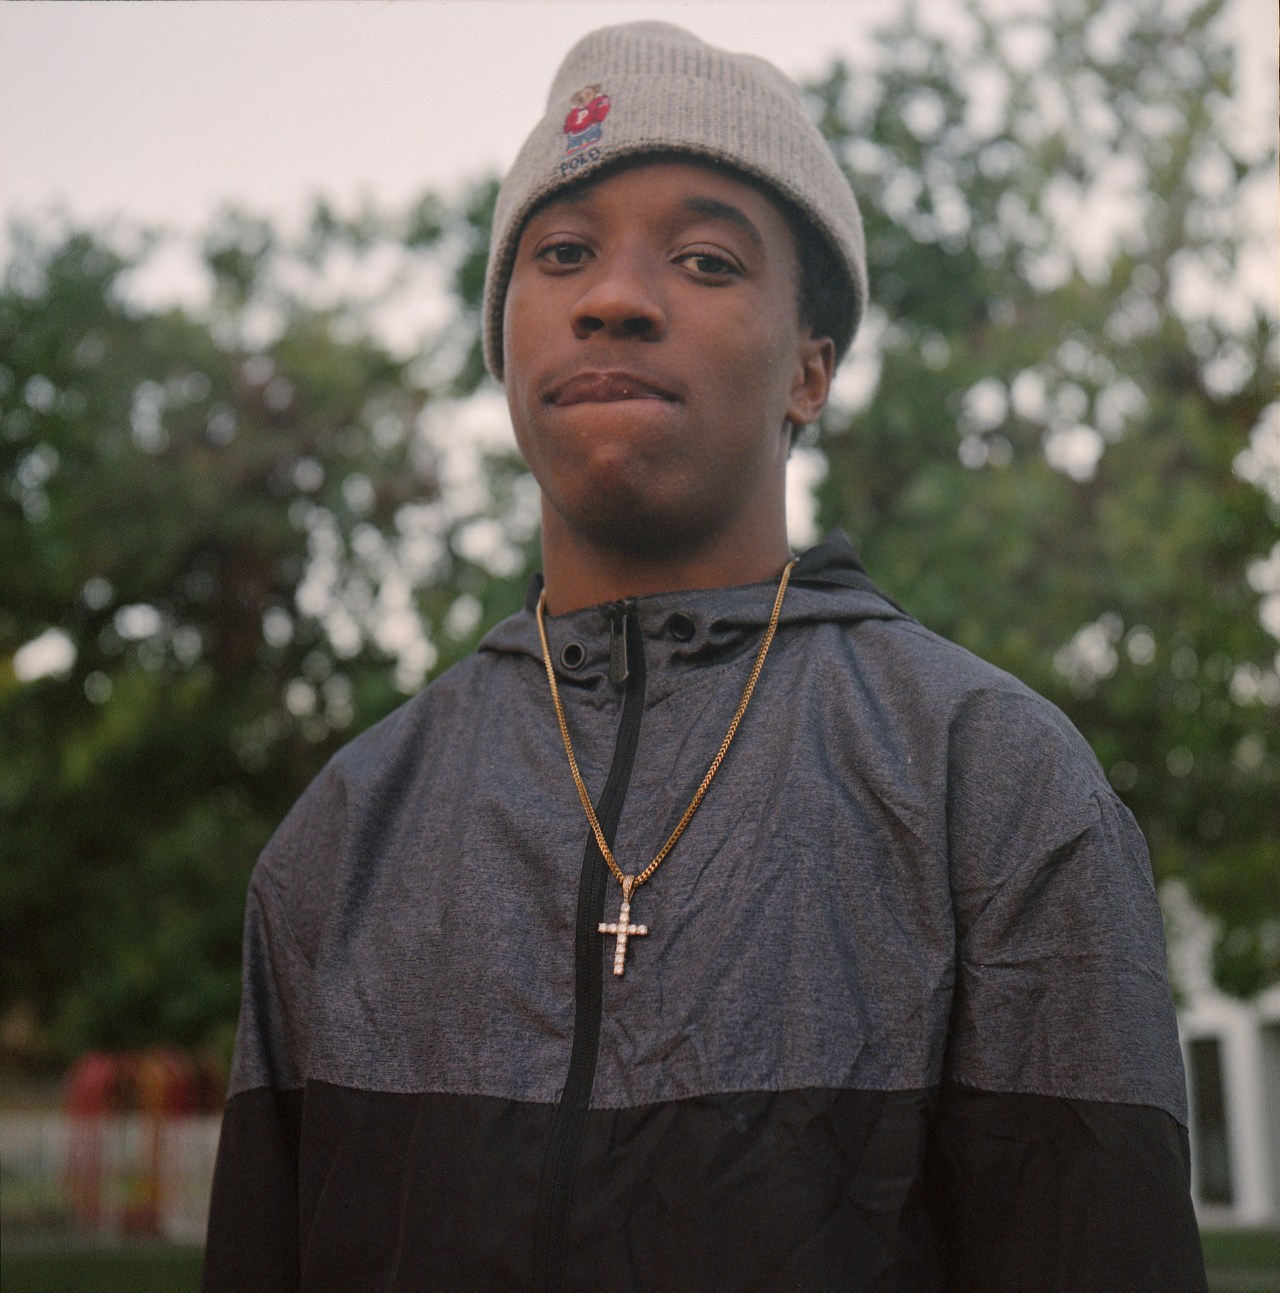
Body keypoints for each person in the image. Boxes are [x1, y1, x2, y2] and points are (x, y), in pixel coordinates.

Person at [203, 21, 1207, 1292]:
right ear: (505, 340)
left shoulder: (990, 787)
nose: (611, 295)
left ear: (808, 369)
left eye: (704, 257)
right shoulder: (342, 835)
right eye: (561, 253)